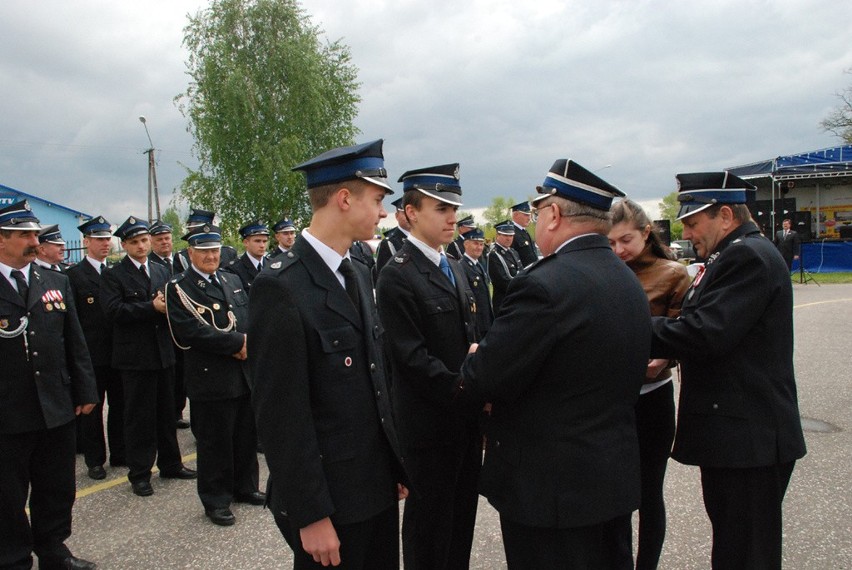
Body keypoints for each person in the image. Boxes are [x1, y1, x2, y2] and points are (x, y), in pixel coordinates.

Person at [457, 160, 650, 569]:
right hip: (609, 481)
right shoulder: (626, 278)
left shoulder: (544, 285)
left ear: (555, 214)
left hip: (549, 494)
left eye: (540, 211)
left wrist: (479, 357)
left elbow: (485, 378)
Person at [249, 139, 407, 569]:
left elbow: (373, 380)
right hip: (329, 502)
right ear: (343, 199)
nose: (383, 212)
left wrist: (392, 467)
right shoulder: (280, 287)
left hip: (371, 487)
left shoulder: (356, 271)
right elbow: (280, 415)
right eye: (377, 199)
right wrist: (310, 514)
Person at [650, 172, 807, 569]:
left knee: (747, 554)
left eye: (692, 223)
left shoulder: (746, 256)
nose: (687, 233)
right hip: (739, 437)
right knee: (737, 547)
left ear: (725, 215)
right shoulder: (735, 253)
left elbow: (705, 332)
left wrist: (626, 324)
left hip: (747, 440)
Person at [375, 163, 481, 570]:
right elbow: (411, 358)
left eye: (453, 207)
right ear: (411, 213)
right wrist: (465, 386)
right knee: (429, 527)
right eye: (440, 208)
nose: (452, 217)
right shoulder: (397, 276)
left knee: (461, 522)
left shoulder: (452, 265)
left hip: (464, 419)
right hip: (429, 425)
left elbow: (469, 333)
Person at [0, 200, 99, 570]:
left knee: (56, 487)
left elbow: (75, 341)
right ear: (1, 240)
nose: (34, 241)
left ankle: (54, 550)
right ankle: (13, 557)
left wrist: (86, 390)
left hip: (56, 404)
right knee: (8, 494)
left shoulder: (55, 281)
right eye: (25, 234)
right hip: (8, 410)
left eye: (35, 233)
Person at [608, 199, 692, 570]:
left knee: (648, 492)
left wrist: (665, 359)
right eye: (610, 242)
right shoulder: (604, 268)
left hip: (652, 398)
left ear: (645, 233)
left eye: (625, 240)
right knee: (615, 494)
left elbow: (685, 334)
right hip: (612, 400)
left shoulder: (673, 274)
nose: (618, 250)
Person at [165, 224, 263, 527]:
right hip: (211, 377)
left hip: (243, 373)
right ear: (191, 252)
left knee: (245, 436)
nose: (211, 255)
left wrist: (248, 341)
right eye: (204, 250)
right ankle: (216, 499)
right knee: (215, 442)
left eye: (215, 249)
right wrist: (237, 343)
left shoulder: (231, 279)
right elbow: (189, 331)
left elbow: (247, 317)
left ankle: (244, 487)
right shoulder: (179, 286)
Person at [100, 216, 197, 498]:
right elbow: (113, 312)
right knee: (139, 417)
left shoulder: (159, 270)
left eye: (144, 240)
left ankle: (171, 463)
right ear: (125, 245)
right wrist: (150, 308)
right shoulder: (114, 275)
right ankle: (140, 473)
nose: (141, 246)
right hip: (135, 357)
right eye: (135, 242)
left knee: (167, 412)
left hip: (163, 352)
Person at [67, 216, 126, 480]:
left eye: (107, 239)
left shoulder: (114, 273)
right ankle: (94, 459)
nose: (105, 244)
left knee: (120, 405)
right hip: (91, 355)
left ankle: (120, 452)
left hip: (118, 352)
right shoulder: (73, 276)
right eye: (99, 239)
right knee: (93, 408)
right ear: (86, 241)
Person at [147, 220, 190, 430]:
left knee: (181, 373)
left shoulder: (179, 260)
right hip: (162, 326)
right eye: (159, 239)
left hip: (180, 325)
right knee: (170, 375)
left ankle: (177, 411)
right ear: (152, 242)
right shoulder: (151, 264)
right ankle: (169, 413)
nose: (164, 243)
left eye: (167, 238)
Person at [174, 209, 238, 272]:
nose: (192, 233)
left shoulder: (228, 253)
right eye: (190, 229)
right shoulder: (182, 257)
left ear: (208, 228)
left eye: (196, 229)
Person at [459, 227, 493, 339]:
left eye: (481, 244)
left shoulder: (478, 265)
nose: (479, 247)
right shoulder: (461, 267)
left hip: (486, 321)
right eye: (475, 244)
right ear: (466, 244)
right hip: (476, 324)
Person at [225, 221, 270, 292]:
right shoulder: (234, 269)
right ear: (246, 243)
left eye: (264, 241)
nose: (262, 245)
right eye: (257, 241)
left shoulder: (272, 264)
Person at [488, 220, 521, 314]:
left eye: (511, 236)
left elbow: (522, 272)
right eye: (505, 235)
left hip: (517, 301)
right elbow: (503, 282)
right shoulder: (494, 255)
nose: (509, 238)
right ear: (498, 235)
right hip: (504, 303)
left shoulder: (514, 252)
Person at [374, 198, 409, 275]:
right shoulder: (389, 243)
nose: (408, 217)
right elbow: (381, 276)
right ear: (396, 216)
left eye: (411, 213)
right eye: (404, 213)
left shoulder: (423, 239)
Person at [509, 201, 538, 266]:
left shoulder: (524, 232)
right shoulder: (512, 233)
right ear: (516, 215)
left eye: (529, 215)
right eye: (526, 215)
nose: (529, 218)